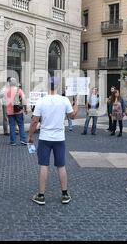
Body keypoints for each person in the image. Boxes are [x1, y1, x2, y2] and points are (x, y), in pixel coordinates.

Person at [28, 77, 78, 205]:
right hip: (59, 138)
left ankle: (41, 196)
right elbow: (72, 115)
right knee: (61, 166)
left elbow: (34, 121)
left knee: (44, 165)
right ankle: (65, 194)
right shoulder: (64, 100)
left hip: (45, 138)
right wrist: (76, 100)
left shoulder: (41, 101)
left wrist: (30, 136)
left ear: (47, 86)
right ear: (58, 86)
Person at [5, 77, 28, 146]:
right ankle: (23, 140)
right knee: (21, 125)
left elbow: (5, 101)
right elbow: (24, 99)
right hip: (18, 110)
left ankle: (13, 141)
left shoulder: (6, 90)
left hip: (9, 111)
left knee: (12, 126)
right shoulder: (19, 90)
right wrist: (25, 108)